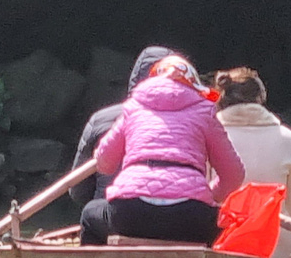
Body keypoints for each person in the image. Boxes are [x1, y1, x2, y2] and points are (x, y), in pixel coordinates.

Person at [78, 54, 245, 245]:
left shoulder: (133, 107)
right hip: (190, 216)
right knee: (231, 228)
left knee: (90, 214)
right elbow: (234, 175)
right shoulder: (205, 111)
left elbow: (104, 163)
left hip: (130, 213)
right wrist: (208, 194)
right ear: (194, 84)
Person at [67, 45, 178, 207]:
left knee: (91, 212)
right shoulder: (193, 122)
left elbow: (78, 190)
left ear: (136, 78)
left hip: (111, 212)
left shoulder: (101, 119)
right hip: (174, 218)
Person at [213, 67, 291, 258]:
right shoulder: (287, 137)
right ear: (260, 99)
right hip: (278, 251)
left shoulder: (211, 135)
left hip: (221, 248)